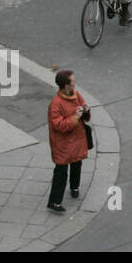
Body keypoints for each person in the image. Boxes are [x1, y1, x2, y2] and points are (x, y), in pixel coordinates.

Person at [46, 70, 89, 213]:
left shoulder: (76, 95)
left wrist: (86, 111)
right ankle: (54, 202)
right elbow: (59, 126)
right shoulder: (56, 104)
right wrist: (75, 118)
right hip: (63, 143)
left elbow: (83, 107)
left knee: (77, 163)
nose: (75, 82)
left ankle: (74, 187)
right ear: (66, 86)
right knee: (61, 172)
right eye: (73, 81)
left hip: (77, 139)